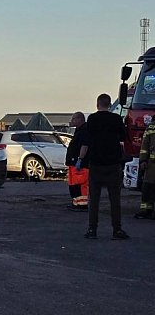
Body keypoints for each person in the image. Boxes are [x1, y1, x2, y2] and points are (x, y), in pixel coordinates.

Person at [78, 94, 129, 239]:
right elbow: (123, 138)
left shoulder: (92, 119)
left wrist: (80, 159)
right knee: (115, 199)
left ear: (97, 104)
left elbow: (86, 142)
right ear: (110, 104)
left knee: (94, 199)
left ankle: (92, 229)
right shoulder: (116, 119)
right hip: (113, 164)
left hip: (96, 164)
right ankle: (117, 230)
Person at [65, 112, 89, 210]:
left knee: (80, 185)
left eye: (74, 119)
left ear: (80, 119)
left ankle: (82, 204)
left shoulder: (84, 130)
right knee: (74, 185)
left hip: (80, 164)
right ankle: (76, 203)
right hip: (73, 163)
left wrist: (80, 159)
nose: (72, 121)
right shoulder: (79, 130)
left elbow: (84, 145)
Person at [135, 119, 155, 219]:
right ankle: (146, 210)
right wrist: (143, 160)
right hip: (151, 164)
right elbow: (144, 145)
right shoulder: (151, 127)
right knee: (147, 188)